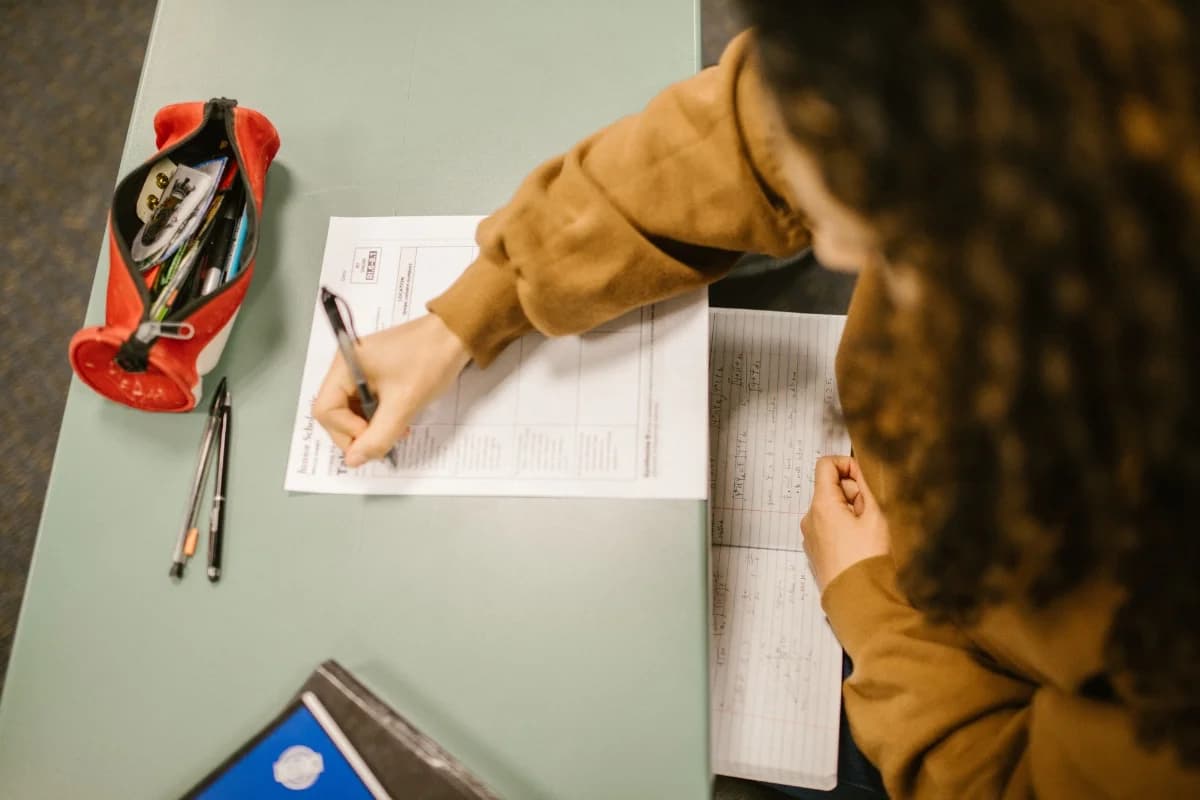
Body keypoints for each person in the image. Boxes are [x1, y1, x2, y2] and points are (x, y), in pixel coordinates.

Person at [315, 2, 1200, 796]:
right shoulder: (967, 68)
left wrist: (874, 611)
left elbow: (1005, 783)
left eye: (903, 238)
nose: (839, 254)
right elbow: (742, 141)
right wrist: (467, 316)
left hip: (945, 692)